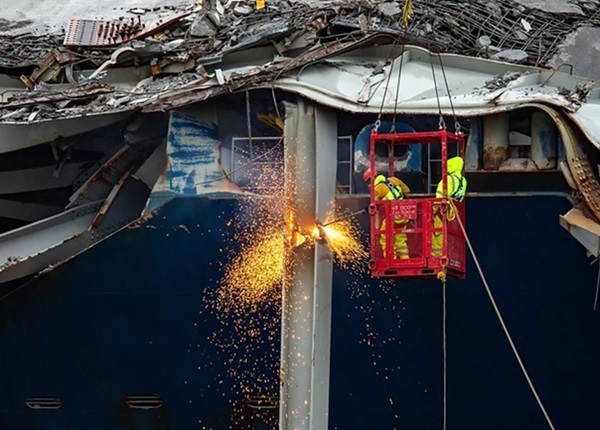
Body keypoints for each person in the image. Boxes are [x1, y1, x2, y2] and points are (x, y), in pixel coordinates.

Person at [364, 168, 411, 259]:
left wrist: (368, 208)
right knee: (400, 238)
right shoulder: (393, 180)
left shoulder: (377, 188)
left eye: (368, 182)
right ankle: (404, 258)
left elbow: (374, 204)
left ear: (371, 179)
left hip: (392, 215)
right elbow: (407, 190)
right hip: (403, 214)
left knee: (385, 236)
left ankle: (390, 259)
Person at [432, 156, 467, 257]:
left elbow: (439, 197)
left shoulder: (447, 179)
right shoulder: (463, 181)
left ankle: (437, 255)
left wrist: (433, 211)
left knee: (437, 232)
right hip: (454, 212)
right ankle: (451, 254)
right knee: (450, 234)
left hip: (443, 211)